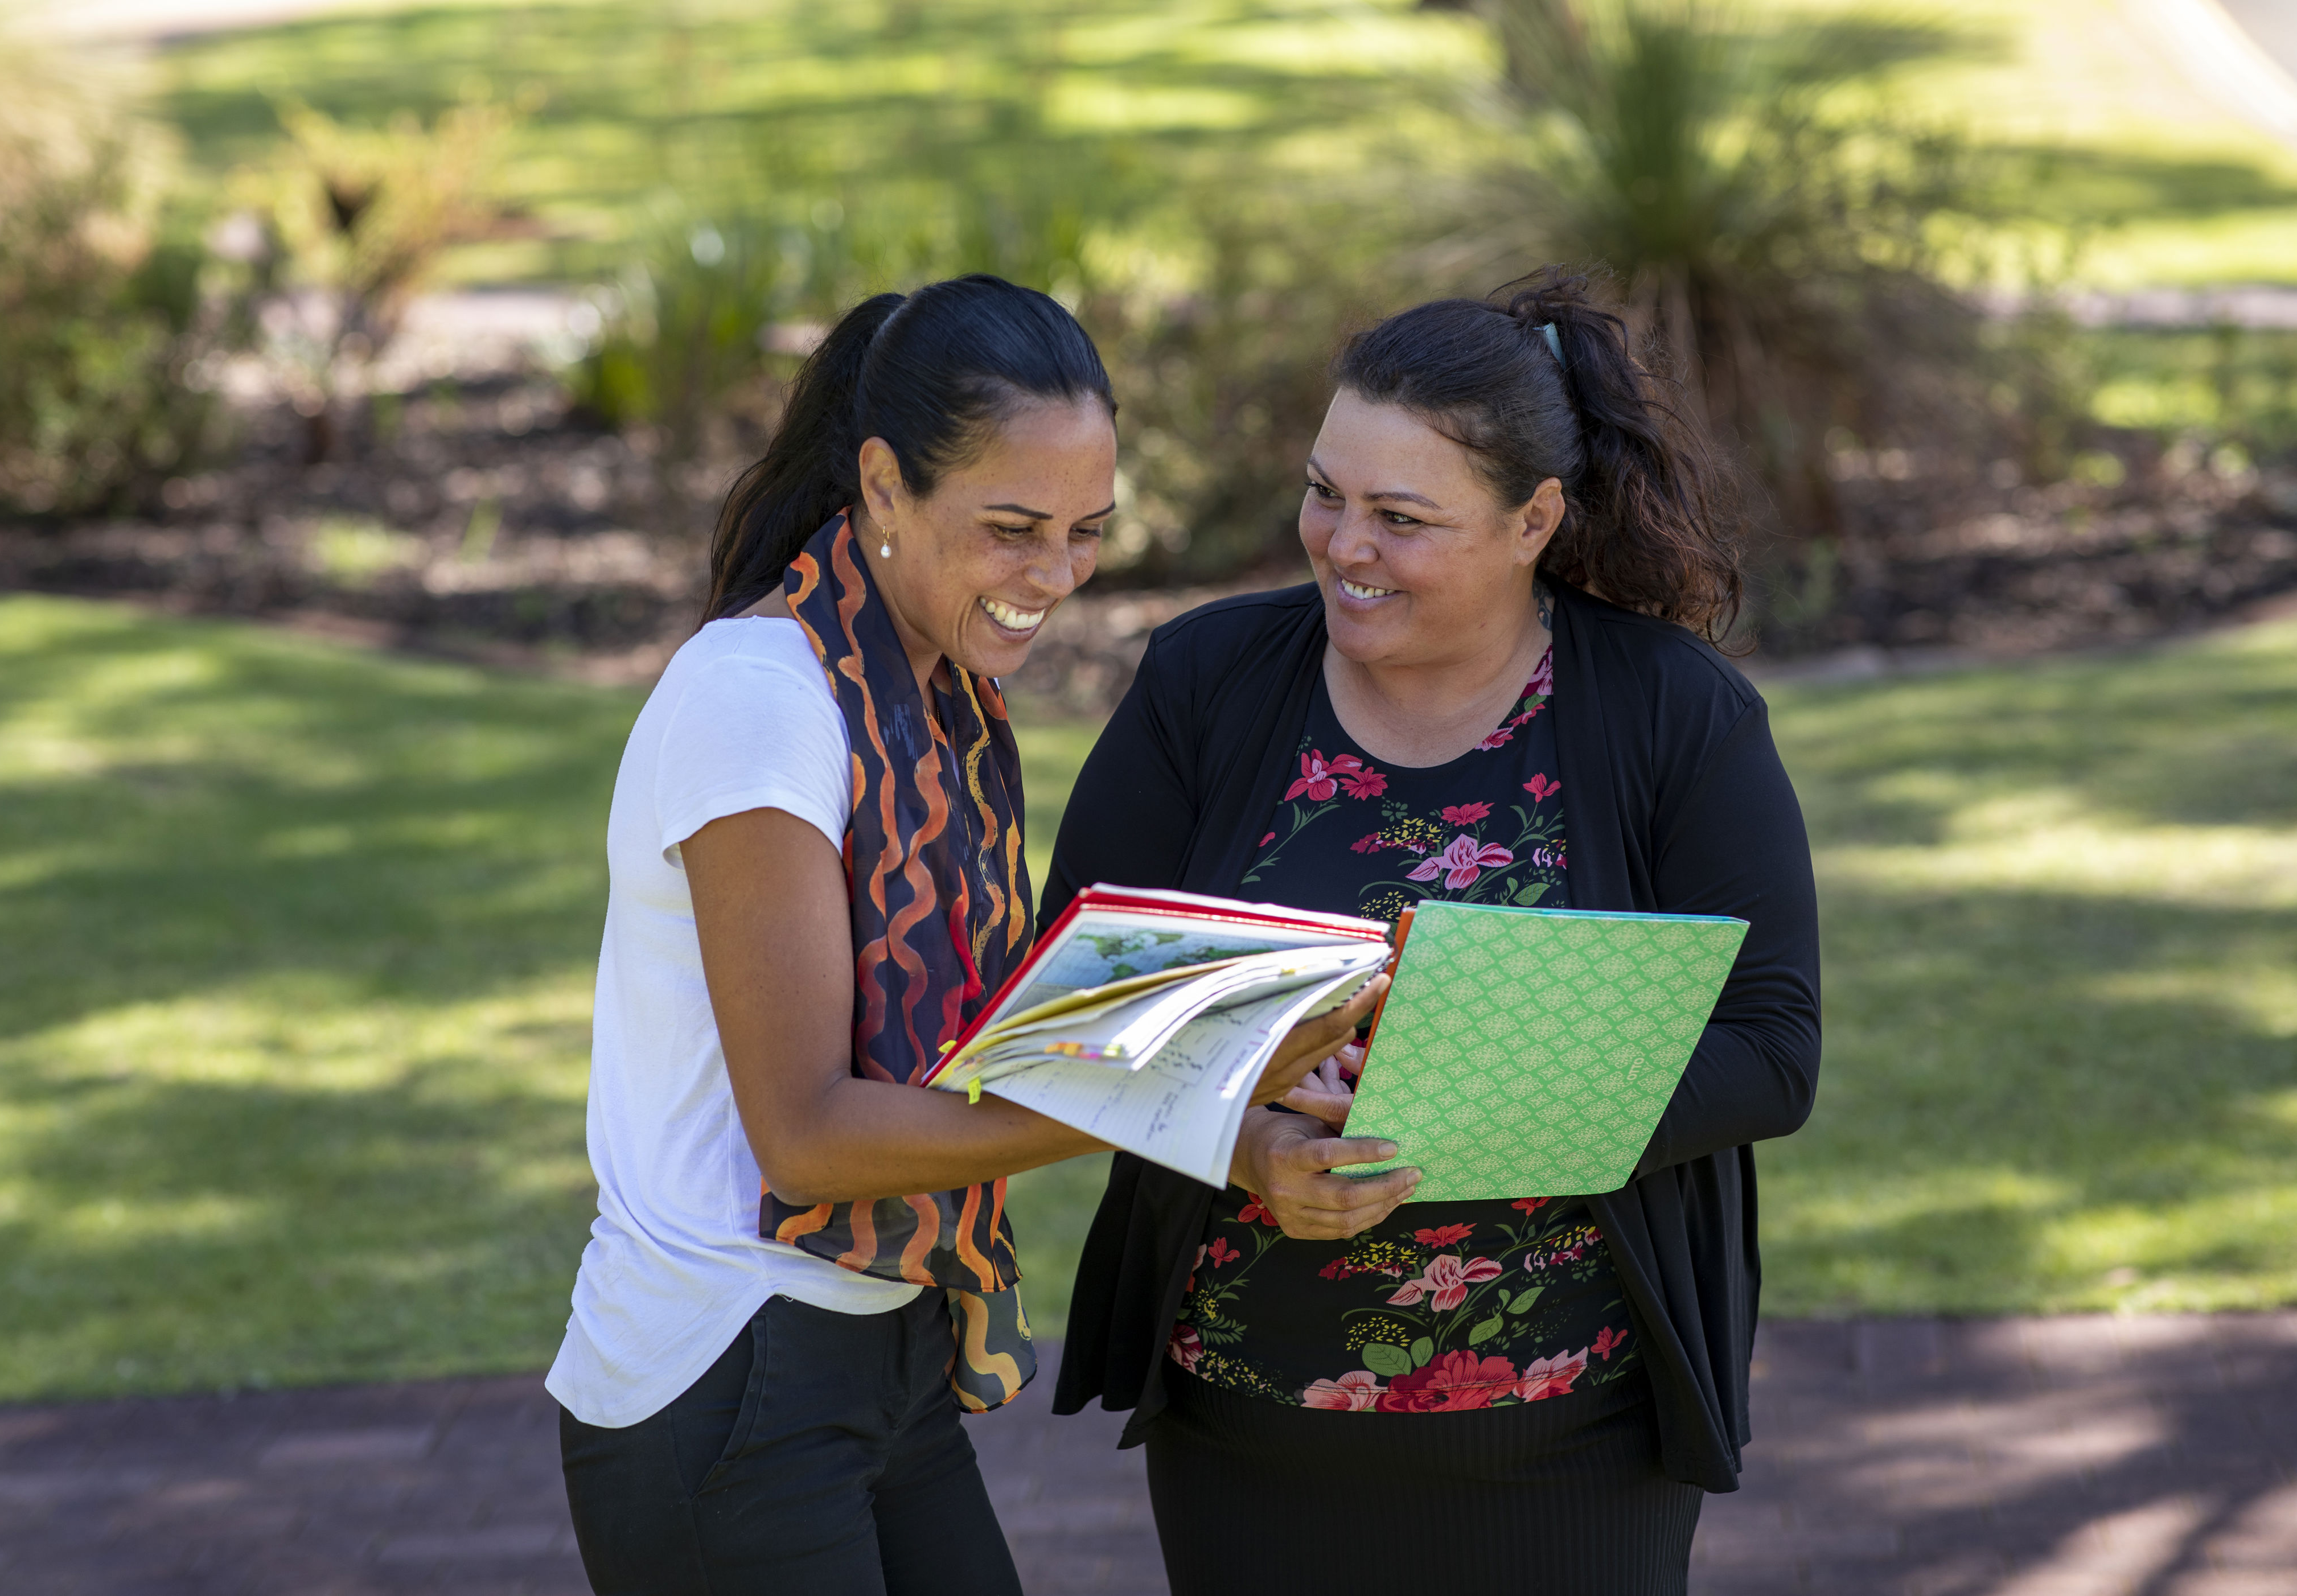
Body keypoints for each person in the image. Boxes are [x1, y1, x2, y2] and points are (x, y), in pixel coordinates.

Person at [545, 273, 1384, 1596]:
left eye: (1087, 532)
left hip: (883, 1347)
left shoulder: (935, 702)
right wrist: (1182, 1088)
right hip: (725, 1364)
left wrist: (1245, 1080)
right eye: (1011, 529)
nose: (1051, 578)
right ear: (882, 485)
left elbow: (996, 1050)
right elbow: (811, 1132)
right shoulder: (760, 702)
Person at [1043, 269, 1821, 1593]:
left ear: (1534, 520)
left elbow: (1771, 1048)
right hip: (1248, 1428)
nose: (1345, 545)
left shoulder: (1674, 714)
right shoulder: (1206, 680)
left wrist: (1468, 1094)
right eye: (1325, 492)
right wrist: (1249, 1143)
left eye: (1401, 518)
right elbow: (1069, 1013)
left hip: (1574, 1435)